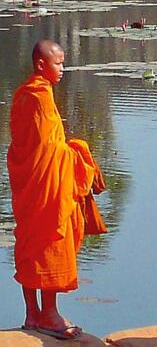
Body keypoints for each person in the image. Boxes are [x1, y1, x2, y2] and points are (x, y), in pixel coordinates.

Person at [7, 40, 106, 340]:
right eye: (58, 63)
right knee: (51, 236)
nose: (63, 68)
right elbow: (51, 150)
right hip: (45, 185)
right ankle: (49, 314)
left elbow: (24, 147)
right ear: (41, 65)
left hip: (29, 184)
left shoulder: (23, 93)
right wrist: (79, 153)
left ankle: (31, 313)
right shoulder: (39, 97)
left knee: (29, 240)